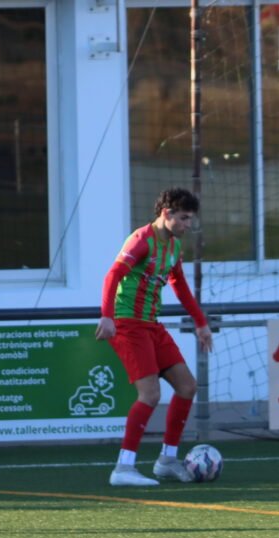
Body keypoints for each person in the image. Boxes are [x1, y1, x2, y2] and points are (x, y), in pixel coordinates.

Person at [96, 187, 213, 487]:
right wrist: (107, 316)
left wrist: (200, 323)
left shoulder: (173, 246)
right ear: (166, 213)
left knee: (187, 387)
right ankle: (123, 468)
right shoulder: (141, 240)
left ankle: (167, 461)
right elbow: (113, 275)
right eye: (184, 218)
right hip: (128, 324)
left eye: (190, 219)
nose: (188, 225)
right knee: (150, 395)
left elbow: (180, 285)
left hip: (151, 325)